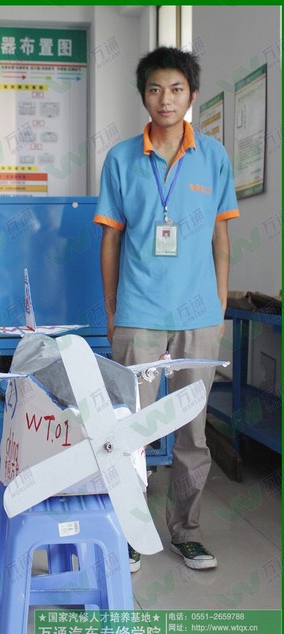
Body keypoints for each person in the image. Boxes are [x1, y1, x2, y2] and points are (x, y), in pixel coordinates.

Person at [94, 46, 240, 572]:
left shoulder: (214, 157)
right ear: (143, 96)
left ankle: (187, 531)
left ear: (192, 95)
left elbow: (220, 239)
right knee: (128, 432)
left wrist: (219, 307)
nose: (165, 99)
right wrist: (113, 310)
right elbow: (111, 241)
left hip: (199, 318)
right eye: (155, 89)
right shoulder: (121, 159)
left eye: (176, 89)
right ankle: (128, 533)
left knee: (193, 433)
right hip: (138, 315)